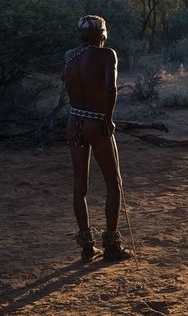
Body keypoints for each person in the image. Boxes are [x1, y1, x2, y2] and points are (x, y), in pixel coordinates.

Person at [62, 15, 132, 262]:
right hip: (96, 122)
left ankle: (86, 247)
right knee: (114, 182)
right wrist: (107, 118)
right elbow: (111, 88)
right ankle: (112, 246)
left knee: (80, 186)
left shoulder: (69, 56)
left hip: (74, 122)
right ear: (102, 34)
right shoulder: (107, 55)